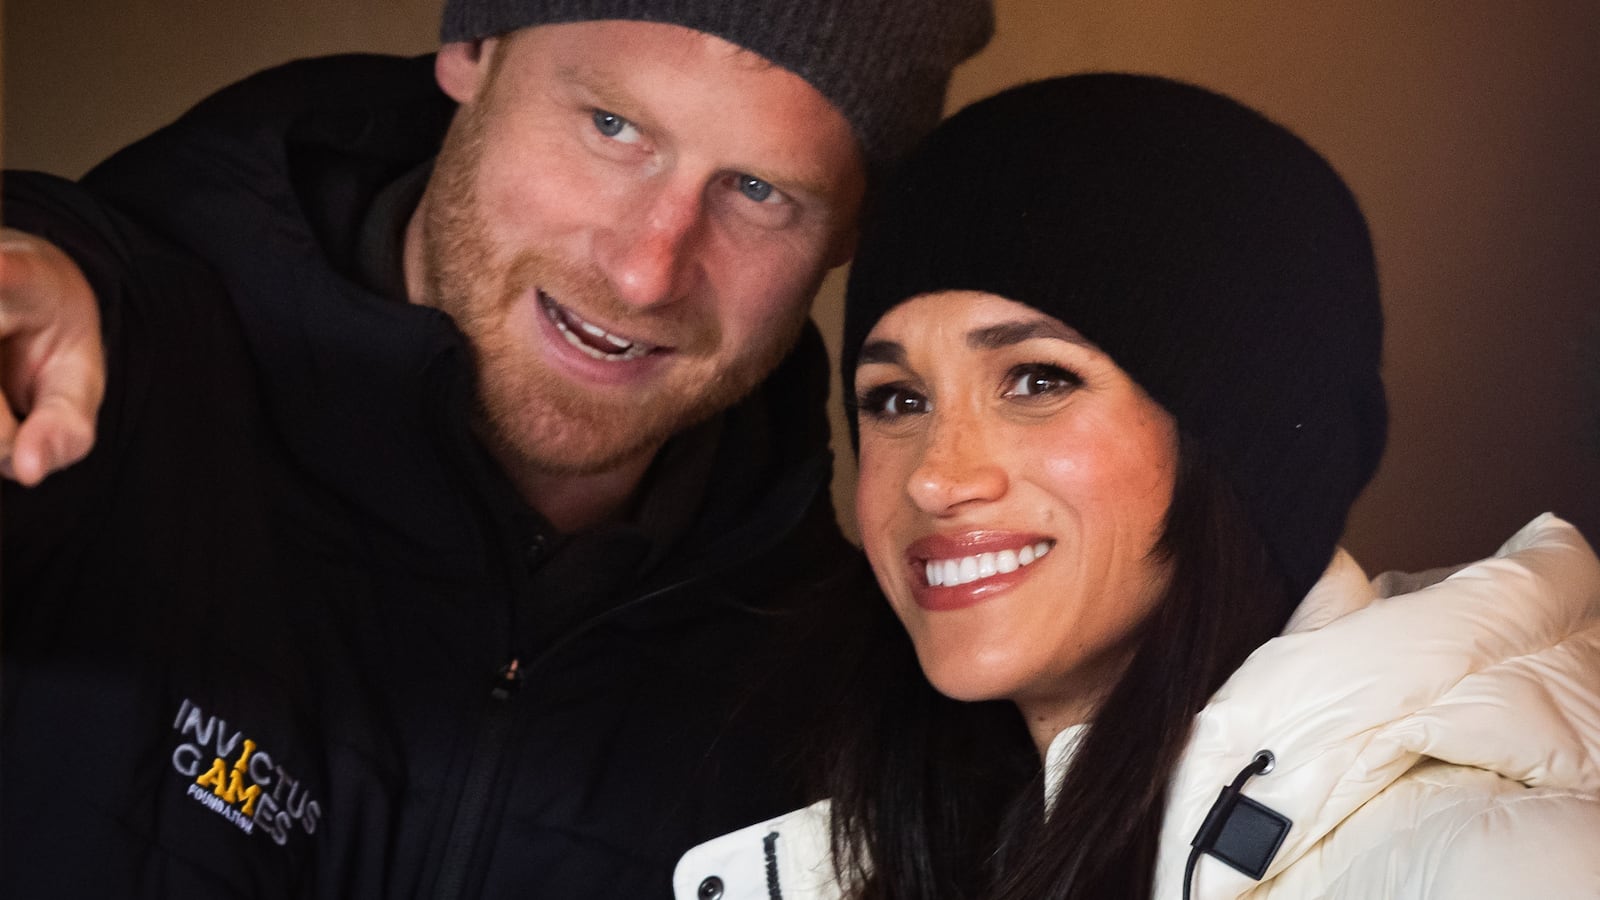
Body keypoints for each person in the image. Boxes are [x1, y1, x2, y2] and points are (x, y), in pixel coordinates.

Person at [0, 2, 993, 897]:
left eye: (760, 192)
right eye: (612, 126)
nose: (647, 271)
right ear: (472, 45)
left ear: (849, 230)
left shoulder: (837, 712)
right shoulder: (89, 384)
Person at [670, 75, 1600, 899]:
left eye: (1039, 380)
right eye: (896, 398)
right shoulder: (869, 841)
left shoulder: (1499, 865)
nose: (938, 478)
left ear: (1243, 442)